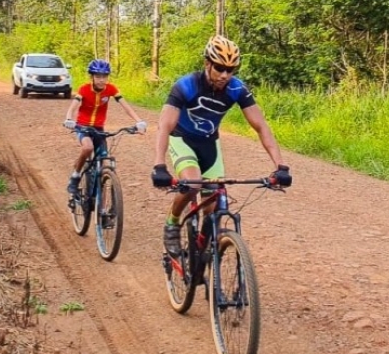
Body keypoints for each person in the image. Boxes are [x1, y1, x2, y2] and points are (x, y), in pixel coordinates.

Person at [151, 35, 292, 257]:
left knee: (212, 203)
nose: (225, 74)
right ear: (207, 63)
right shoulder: (186, 85)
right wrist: (159, 165)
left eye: (231, 69)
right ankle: (172, 223)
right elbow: (165, 125)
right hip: (183, 140)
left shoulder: (237, 89)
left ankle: (202, 250)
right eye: (219, 68)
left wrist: (280, 166)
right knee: (193, 184)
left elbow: (261, 126)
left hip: (210, 144)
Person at [64, 59, 147, 198]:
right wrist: (68, 119)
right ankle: (75, 176)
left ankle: (100, 196)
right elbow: (73, 107)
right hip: (83, 126)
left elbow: (125, 106)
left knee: (103, 158)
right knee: (87, 148)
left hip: (99, 128)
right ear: (92, 77)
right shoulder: (84, 89)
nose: (101, 80)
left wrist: (139, 121)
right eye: (98, 76)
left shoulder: (111, 89)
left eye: (104, 76)